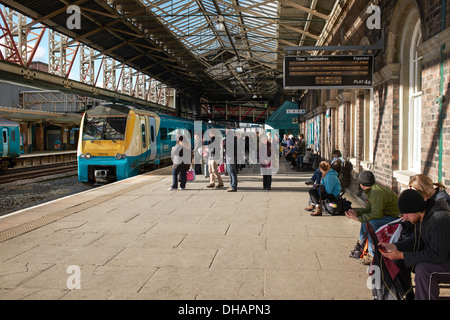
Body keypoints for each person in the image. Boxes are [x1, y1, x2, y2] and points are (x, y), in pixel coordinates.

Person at [379, 188, 450, 300]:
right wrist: (394, 246)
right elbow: (416, 240)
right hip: (442, 259)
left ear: (416, 209)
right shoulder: (422, 217)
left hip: (443, 259)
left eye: (406, 213)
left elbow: (438, 255)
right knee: (397, 260)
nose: (404, 217)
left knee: (424, 269)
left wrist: (402, 255)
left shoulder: (439, 219)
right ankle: (404, 295)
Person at [345, 170, 399, 264]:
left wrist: (357, 218)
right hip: (387, 215)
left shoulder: (375, 193)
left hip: (396, 217)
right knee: (365, 221)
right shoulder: (371, 190)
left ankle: (372, 254)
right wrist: (357, 213)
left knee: (371, 222)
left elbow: (377, 214)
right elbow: (369, 209)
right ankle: (361, 245)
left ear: (361, 184)